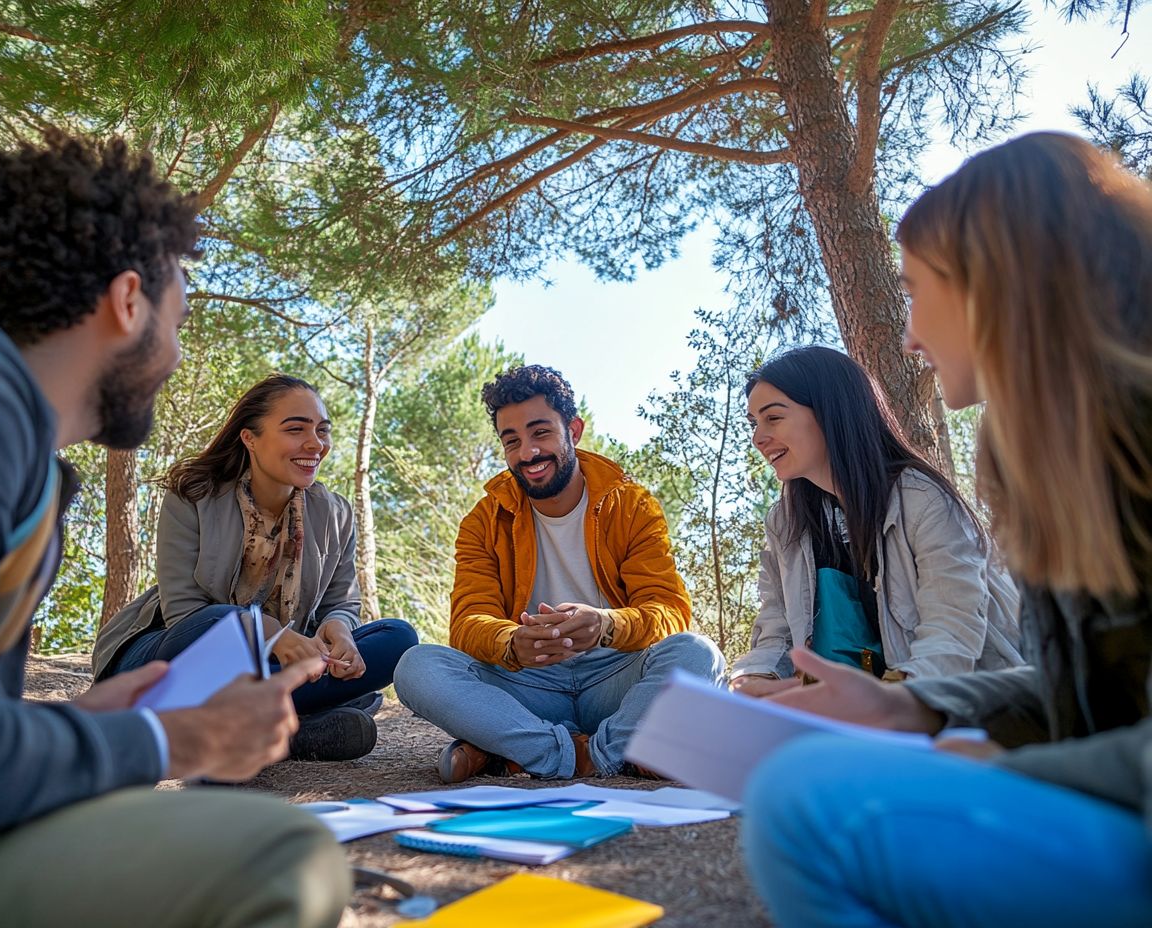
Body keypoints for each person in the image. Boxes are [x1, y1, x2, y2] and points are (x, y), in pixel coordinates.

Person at [0, 131, 349, 927]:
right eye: (177, 323)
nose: (177, 355)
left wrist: (87, 723)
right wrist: (169, 742)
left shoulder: (13, 441)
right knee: (286, 854)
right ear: (127, 304)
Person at [741, 133, 1152, 927]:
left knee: (803, 808)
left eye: (916, 291)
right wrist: (910, 712)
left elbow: (957, 632)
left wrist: (1016, 767)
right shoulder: (1054, 459)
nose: (909, 335)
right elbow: (1091, 693)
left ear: (999, 285)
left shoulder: (931, 495)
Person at [393, 364, 726, 782]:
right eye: (511, 441)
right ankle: (592, 752)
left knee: (698, 654)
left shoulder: (632, 506)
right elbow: (468, 623)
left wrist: (607, 626)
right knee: (417, 666)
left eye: (540, 433)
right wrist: (511, 641)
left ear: (574, 429)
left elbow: (668, 610)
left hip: (615, 679)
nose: (527, 453)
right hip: (528, 683)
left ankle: (518, 751)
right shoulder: (482, 521)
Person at [93, 374, 418, 761]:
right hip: (172, 657)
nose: (315, 444)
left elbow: (341, 602)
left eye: (322, 430)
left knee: (398, 638)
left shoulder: (335, 513)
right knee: (214, 625)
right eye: (296, 429)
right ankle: (296, 720)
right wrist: (271, 635)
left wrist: (339, 634)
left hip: (272, 664)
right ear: (250, 438)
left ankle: (259, 734)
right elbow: (184, 613)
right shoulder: (194, 495)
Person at [732, 346, 1021, 695]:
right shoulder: (784, 524)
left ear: (830, 411)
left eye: (773, 418)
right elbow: (775, 631)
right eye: (753, 424)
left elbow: (953, 629)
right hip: (851, 717)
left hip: (967, 705)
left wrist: (895, 697)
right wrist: (754, 680)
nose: (758, 438)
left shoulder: (921, 498)